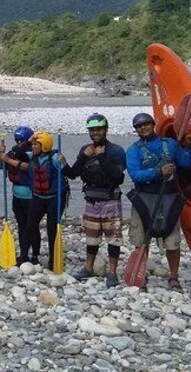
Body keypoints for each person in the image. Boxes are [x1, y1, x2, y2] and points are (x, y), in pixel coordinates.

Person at [126, 112, 191, 292]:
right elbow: (135, 175)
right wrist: (158, 172)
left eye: (146, 124)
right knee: (141, 239)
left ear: (153, 124)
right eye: (139, 126)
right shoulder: (133, 150)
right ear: (136, 130)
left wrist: (187, 148)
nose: (143, 128)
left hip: (169, 197)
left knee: (172, 241)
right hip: (144, 198)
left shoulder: (171, 145)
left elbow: (187, 163)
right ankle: (142, 276)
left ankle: (173, 277)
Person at [64, 114, 126, 287]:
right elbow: (73, 173)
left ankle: (112, 272)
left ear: (105, 130)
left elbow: (118, 177)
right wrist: (67, 162)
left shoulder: (116, 151)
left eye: (98, 129)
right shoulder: (85, 150)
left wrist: (101, 158)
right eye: (92, 130)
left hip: (110, 200)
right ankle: (88, 268)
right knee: (92, 238)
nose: (95, 133)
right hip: (91, 199)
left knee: (113, 238)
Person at [0, 131, 65, 269]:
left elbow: (69, 173)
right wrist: (29, 140)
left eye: (36, 144)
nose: (33, 147)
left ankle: (53, 260)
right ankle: (25, 255)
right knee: (29, 226)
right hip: (39, 197)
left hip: (54, 198)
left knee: (52, 229)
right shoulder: (32, 156)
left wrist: (63, 162)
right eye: (33, 144)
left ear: (45, 146)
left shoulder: (54, 158)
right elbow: (17, 151)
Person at [0, 126, 39, 264]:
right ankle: (24, 254)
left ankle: (35, 256)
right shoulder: (13, 152)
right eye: (17, 140)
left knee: (32, 226)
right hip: (17, 196)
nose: (19, 142)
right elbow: (0, 166)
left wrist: (7, 159)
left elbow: (27, 167)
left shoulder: (34, 153)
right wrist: (0, 154)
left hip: (32, 197)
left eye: (22, 140)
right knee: (22, 226)